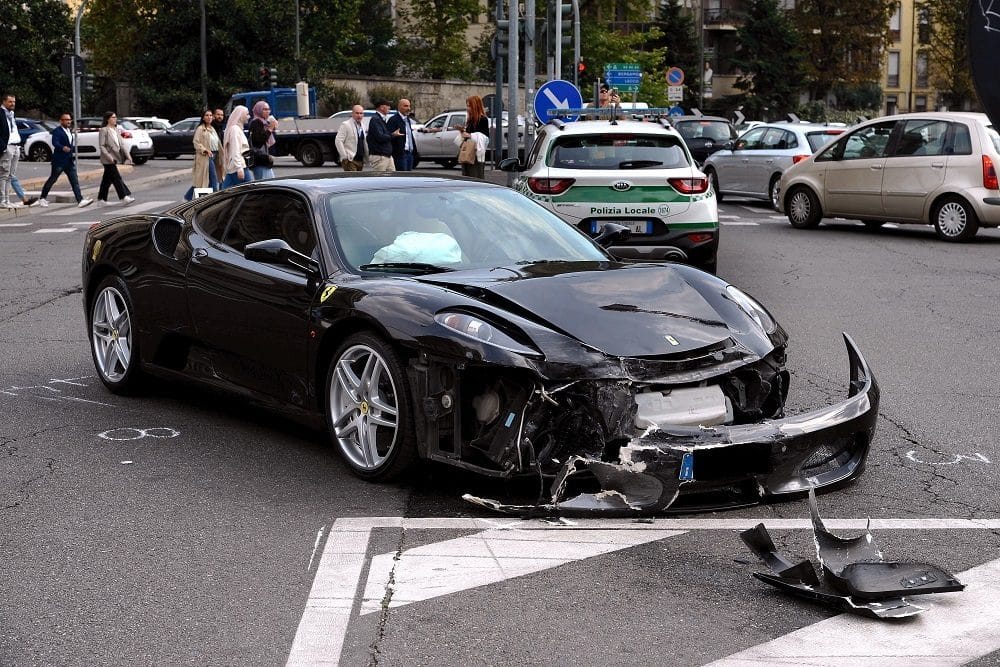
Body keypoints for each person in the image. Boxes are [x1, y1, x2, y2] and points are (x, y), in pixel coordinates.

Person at [33, 112, 92, 208]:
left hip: (68, 160)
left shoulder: (69, 131)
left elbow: (70, 143)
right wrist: (62, 147)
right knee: (53, 179)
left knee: (74, 180)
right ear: (61, 121)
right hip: (59, 160)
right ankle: (42, 198)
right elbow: (54, 142)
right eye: (66, 120)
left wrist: (71, 149)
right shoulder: (57, 131)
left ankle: (80, 200)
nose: (69, 121)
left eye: (69, 120)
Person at [96, 111, 135, 206]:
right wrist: (109, 157)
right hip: (107, 159)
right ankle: (124, 197)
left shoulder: (117, 130)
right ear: (108, 119)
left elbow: (122, 144)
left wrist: (128, 156)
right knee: (117, 177)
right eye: (113, 117)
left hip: (116, 157)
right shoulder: (104, 130)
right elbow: (102, 146)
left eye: (115, 117)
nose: (115, 119)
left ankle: (101, 199)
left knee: (107, 179)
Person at [185, 109, 220, 200]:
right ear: (203, 118)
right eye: (207, 115)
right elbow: (196, 142)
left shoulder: (212, 129)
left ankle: (188, 197)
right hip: (206, 156)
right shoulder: (200, 129)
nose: (209, 117)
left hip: (215, 155)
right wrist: (205, 150)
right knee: (213, 178)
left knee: (202, 181)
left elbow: (217, 143)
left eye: (210, 115)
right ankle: (215, 199)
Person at [221, 104, 253, 189]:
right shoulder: (235, 130)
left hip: (234, 166)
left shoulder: (237, 129)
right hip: (239, 166)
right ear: (240, 115)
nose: (249, 116)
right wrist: (239, 168)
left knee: (225, 193)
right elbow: (235, 150)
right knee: (250, 193)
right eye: (247, 114)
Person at [1, 93, 23, 209]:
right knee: (4, 174)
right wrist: (3, 147)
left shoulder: (12, 114)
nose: (13, 104)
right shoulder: (1, 113)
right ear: (4, 102)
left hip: (16, 146)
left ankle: (7, 199)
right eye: (10, 102)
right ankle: (2, 200)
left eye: (14, 102)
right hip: (7, 146)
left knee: (10, 175)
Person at [459, 95, 489, 179]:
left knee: (475, 176)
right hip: (467, 152)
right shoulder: (470, 120)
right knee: (466, 176)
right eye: (467, 106)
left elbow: (485, 138)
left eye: (469, 106)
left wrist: (470, 135)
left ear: (475, 106)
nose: (467, 108)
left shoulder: (483, 120)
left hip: (476, 155)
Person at [248, 100, 277, 180]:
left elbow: (267, 141)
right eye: (264, 109)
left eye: (268, 109)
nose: (267, 111)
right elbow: (259, 140)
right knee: (265, 185)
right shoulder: (256, 122)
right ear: (258, 110)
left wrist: (271, 128)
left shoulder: (264, 122)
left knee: (270, 183)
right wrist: (270, 129)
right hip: (259, 160)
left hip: (264, 160)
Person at [366, 98, 395, 173]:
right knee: (379, 179)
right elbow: (380, 137)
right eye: (387, 105)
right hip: (380, 156)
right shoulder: (375, 120)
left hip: (387, 155)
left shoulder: (381, 119)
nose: (389, 107)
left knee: (392, 178)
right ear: (382, 107)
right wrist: (392, 135)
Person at [334, 105, 367, 171]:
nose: (359, 115)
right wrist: (344, 156)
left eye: (361, 113)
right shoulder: (346, 124)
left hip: (360, 160)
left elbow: (364, 143)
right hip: (350, 160)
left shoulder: (363, 126)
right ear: (352, 114)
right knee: (353, 180)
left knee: (358, 181)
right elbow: (338, 141)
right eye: (357, 113)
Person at [387, 98, 417, 171]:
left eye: (409, 106)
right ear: (399, 107)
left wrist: (414, 151)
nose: (408, 108)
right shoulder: (393, 120)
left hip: (409, 154)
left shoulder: (407, 120)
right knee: (402, 177)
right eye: (406, 106)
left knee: (408, 178)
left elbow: (409, 135)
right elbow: (389, 136)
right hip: (400, 155)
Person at [211, 107, 226, 184]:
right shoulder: (211, 126)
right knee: (213, 176)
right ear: (213, 115)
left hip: (219, 154)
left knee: (220, 176)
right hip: (212, 153)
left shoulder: (220, 126)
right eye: (218, 114)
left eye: (222, 115)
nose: (220, 117)